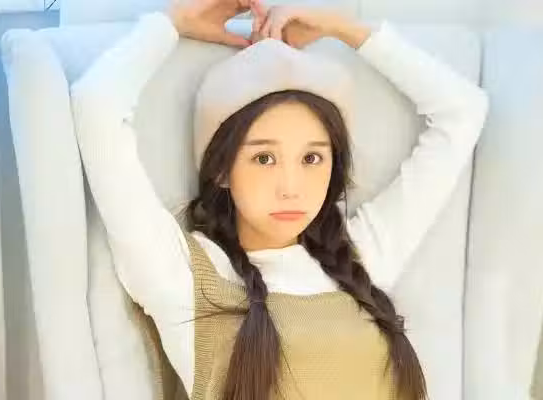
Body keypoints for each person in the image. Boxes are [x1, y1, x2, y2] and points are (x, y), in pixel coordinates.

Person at [69, 0, 489, 399]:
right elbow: (95, 104)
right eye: (264, 158)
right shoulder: (183, 276)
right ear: (221, 170)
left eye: (312, 158)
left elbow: (463, 110)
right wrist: (171, 23)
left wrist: (343, 29)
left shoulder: (360, 256)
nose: (291, 186)